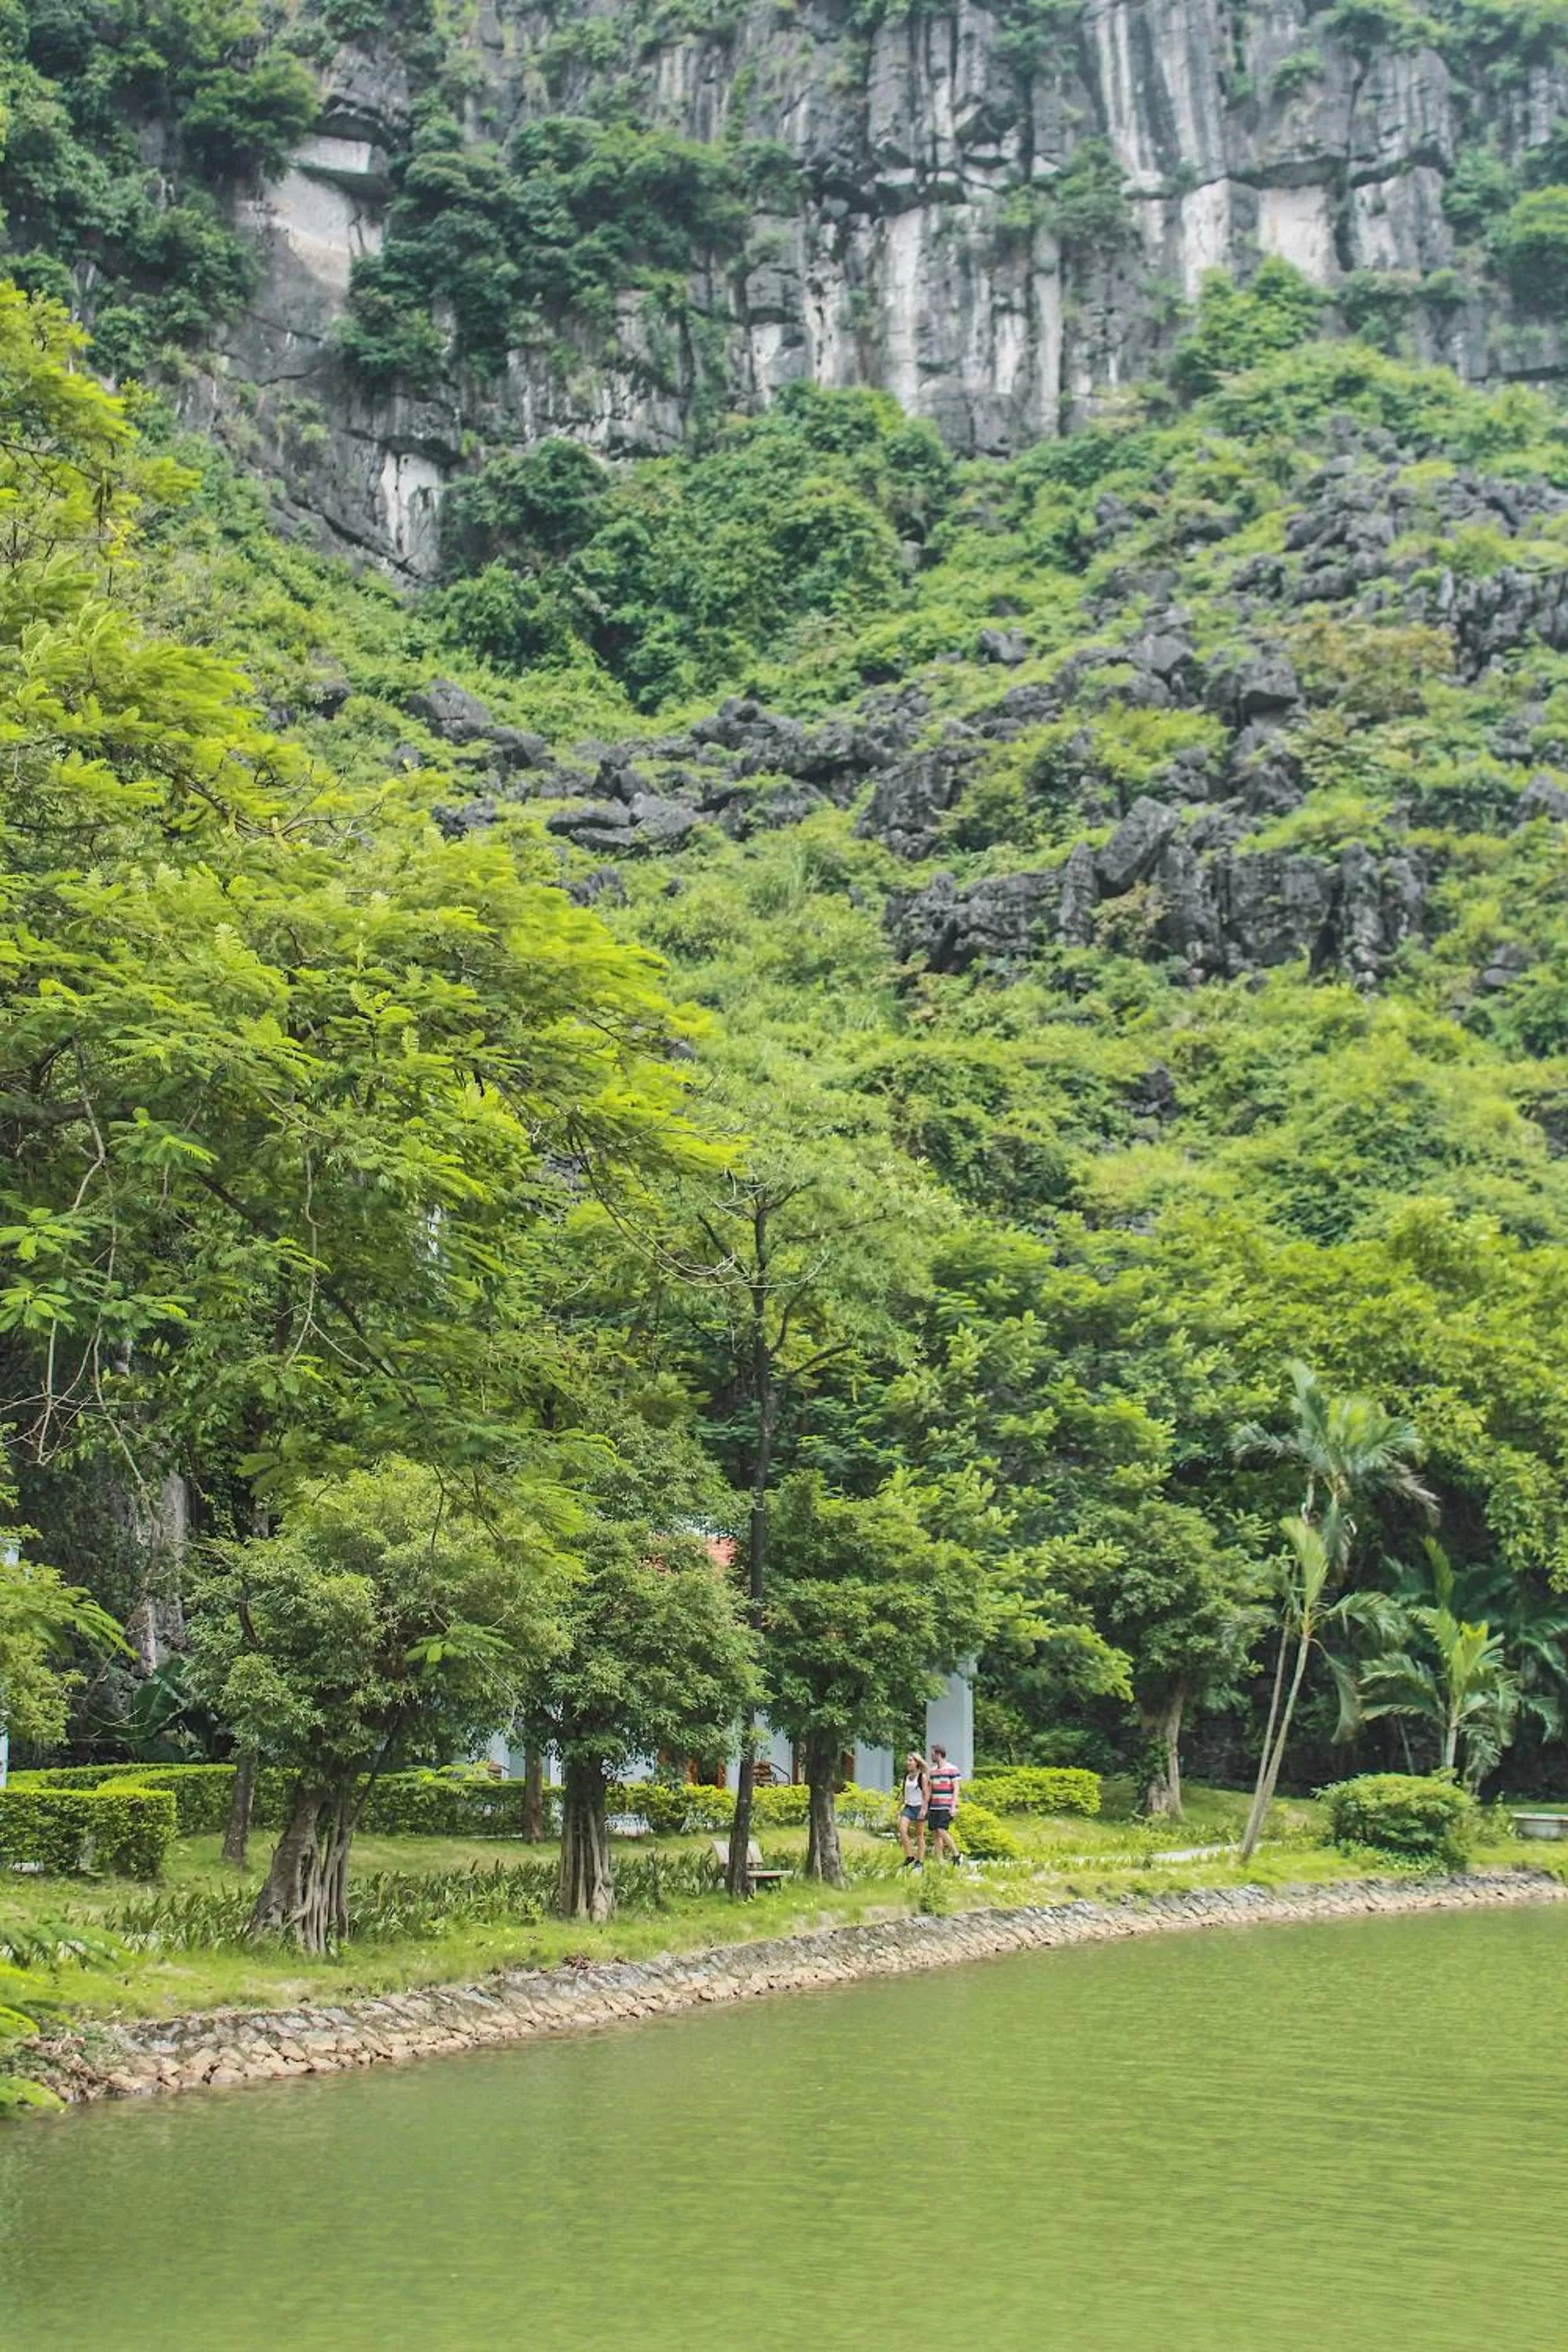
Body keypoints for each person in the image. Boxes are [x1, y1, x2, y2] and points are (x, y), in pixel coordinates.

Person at [925, 1744, 962, 1864]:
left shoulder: (952, 1769)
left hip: (946, 1805)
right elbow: (930, 1790)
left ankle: (956, 1854)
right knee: (935, 1833)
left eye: (932, 1754)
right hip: (934, 1806)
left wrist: (953, 1806)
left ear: (938, 1754)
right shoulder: (932, 1771)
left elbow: (956, 1789)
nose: (931, 1756)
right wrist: (926, 1806)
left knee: (942, 1829)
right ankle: (940, 1860)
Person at [897, 1750, 928, 1867]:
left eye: (910, 1760)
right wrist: (898, 1808)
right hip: (909, 1807)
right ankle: (910, 1856)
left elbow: (926, 1794)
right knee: (902, 1830)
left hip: (919, 1807)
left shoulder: (922, 1776)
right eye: (907, 1760)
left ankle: (920, 1861)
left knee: (919, 1835)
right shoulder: (907, 1776)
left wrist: (924, 1810)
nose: (908, 1762)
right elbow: (903, 1793)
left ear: (917, 1762)